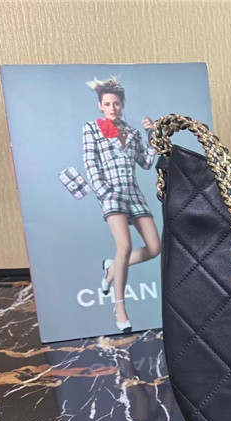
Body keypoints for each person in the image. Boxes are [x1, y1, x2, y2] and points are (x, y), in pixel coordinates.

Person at [82, 76, 160, 333]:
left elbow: (146, 163)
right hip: (111, 193)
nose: (112, 108)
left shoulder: (133, 133)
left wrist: (151, 134)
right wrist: (104, 193)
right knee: (124, 246)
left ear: (123, 104)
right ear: (100, 106)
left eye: (116, 103)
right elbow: (90, 165)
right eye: (107, 104)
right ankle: (120, 307)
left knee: (155, 247)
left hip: (134, 193)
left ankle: (111, 268)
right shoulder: (92, 129)